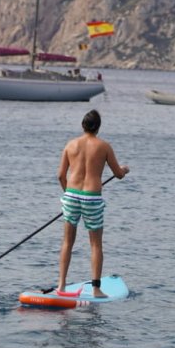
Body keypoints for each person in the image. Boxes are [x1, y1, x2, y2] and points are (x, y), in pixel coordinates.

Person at [55, 109, 129, 297]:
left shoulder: (70, 145)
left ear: (82, 125)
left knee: (67, 242)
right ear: (98, 128)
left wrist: (69, 195)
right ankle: (96, 288)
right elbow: (118, 174)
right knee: (95, 244)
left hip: (71, 195)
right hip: (92, 197)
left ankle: (61, 286)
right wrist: (124, 170)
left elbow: (60, 175)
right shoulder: (104, 146)